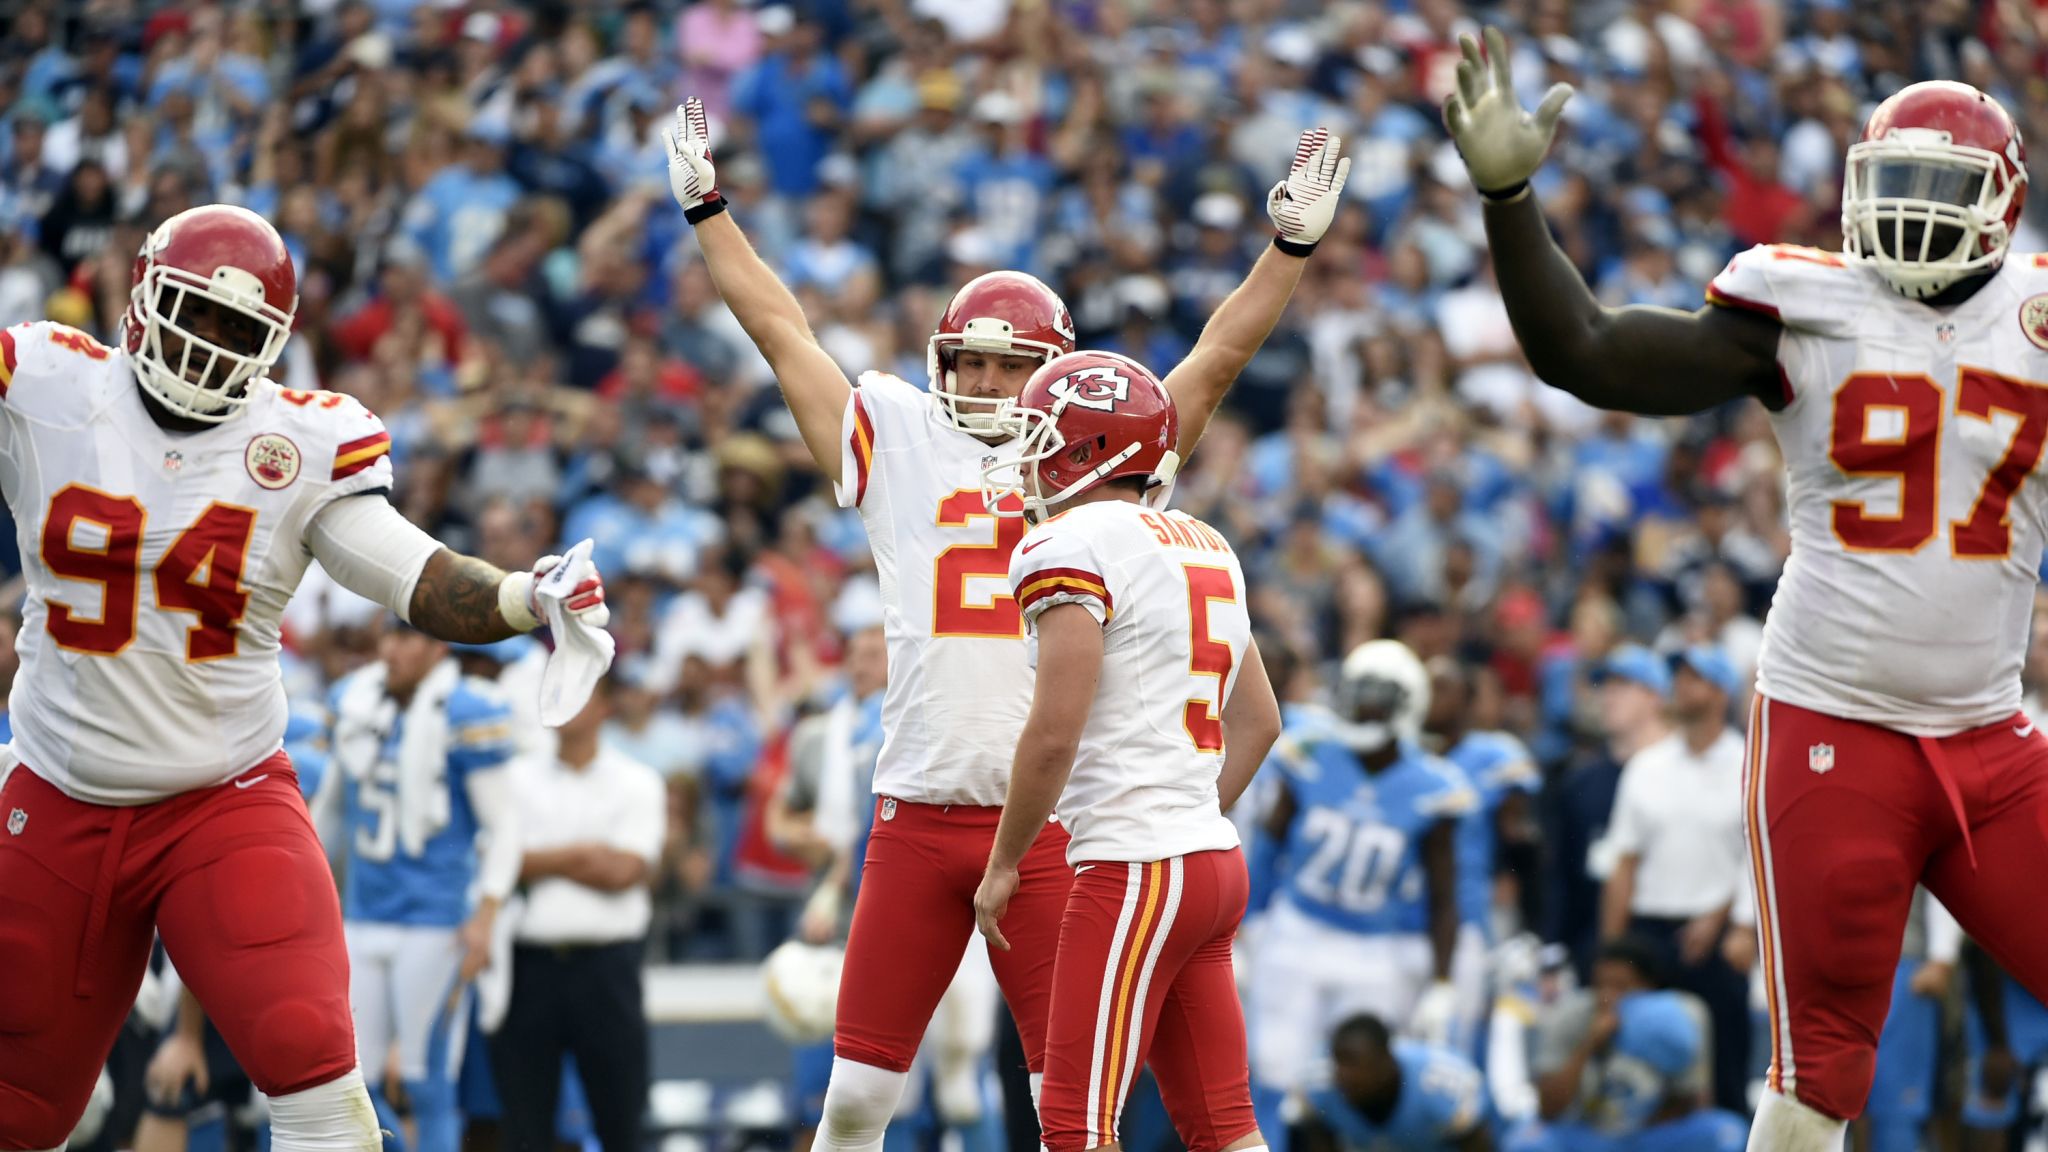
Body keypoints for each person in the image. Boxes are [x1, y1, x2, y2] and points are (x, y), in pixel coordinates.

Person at [667, 97, 1349, 1150]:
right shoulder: (898, 438)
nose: (985, 383)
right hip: (918, 806)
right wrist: (709, 211)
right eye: (970, 363)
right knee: (854, 1097)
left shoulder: (1103, 465)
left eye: (1007, 363)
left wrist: (1287, 249)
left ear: (1056, 374)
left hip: (1047, 832)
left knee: (1060, 1106)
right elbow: (779, 331)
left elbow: (1214, 361)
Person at [1443, 30, 2048, 1148]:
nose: (1912, 210)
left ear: (2004, 203)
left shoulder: (2034, 318)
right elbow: (1583, 350)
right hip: (1834, 727)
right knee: (1817, 1078)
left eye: (1941, 186)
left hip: (1988, 739)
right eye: (1895, 183)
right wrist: (1508, 197)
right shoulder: (1801, 305)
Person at [0, 204, 612, 1152]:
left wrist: (528, 597)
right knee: (25, 1107)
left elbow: (413, 575)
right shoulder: (46, 383)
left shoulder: (296, 445)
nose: (206, 346)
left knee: (316, 1071)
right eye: (194, 315)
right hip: (55, 792)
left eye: (236, 331)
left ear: (274, 346)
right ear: (143, 296)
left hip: (221, 797)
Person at [971, 349, 1282, 1152]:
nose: (1030, 457)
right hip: (1210, 864)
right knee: (1225, 1127)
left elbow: (1054, 731)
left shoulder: (1069, 544)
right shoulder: (1206, 541)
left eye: (1044, 437)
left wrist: (1005, 861)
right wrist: (1183, 817)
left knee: (1073, 1126)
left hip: (1134, 867)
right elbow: (1262, 723)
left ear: (1090, 448)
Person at [1248, 640, 1475, 1152]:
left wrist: (1442, 979)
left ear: (1406, 703)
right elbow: (1269, 847)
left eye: (1378, 697)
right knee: (1276, 1070)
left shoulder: (1433, 783)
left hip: (1379, 949)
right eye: (1358, 693)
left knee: (1354, 1080)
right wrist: (1245, 922)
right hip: (1298, 932)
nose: (1364, 707)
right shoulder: (1309, 752)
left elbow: (1444, 894)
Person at [325, 619, 522, 1152]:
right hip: (364, 913)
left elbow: (504, 827)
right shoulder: (356, 701)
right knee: (350, 1081)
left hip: (435, 920)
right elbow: (330, 810)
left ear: (438, 647)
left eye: (406, 636)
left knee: (426, 1080)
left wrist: (485, 914)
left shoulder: (467, 710)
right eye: (389, 634)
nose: (391, 647)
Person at [490, 676, 665, 1152]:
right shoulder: (515, 777)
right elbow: (498, 862)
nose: (563, 704)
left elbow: (626, 871)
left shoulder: (637, 780)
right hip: (529, 966)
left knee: (622, 1122)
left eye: (578, 691)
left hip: (606, 968)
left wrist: (539, 860)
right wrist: (585, 855)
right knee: (525, 1128)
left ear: (606, 705)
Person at [1598, 648, 1750, 1113]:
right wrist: (1612, 949)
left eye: (1694, 679)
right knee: (1642, 1066)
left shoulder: (1749, 763)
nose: (1680, 687)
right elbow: (1624, 862)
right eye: (1678, 678)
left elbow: (1758, 856)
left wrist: (1737, 926)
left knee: (1724, 1060)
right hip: (1650, 933)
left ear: (1720, 692)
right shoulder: (1647, 767)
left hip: (1717, 933)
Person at [1428, 657, 1542, 1049]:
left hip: (1468, 910)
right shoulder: (1400, 756)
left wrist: (1506, 876)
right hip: (1401, 916)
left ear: (1467, 701)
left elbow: (1521, 835)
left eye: (1443, 688)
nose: (1430, 696)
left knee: (1456, 1030)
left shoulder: (1495, 756)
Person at [1297, 1015, 1492, 1152]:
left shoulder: (1436, 1084)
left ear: (1386, 1062)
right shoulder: (1320, 1087)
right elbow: (1318, 1139)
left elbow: (1477, 1142)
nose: (1344, 1074)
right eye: (1339, 1062)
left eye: (1355, 1063)